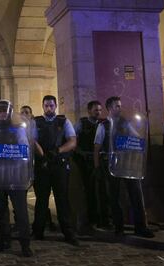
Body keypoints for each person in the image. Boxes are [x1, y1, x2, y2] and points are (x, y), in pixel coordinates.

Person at [93, 96, 154, 238]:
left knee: (136, 195)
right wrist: (97, 168)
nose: (120, 108)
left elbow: (135, 138)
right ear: (109, 108)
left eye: (120, 106)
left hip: (127, 165)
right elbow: (97, 147)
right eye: (117, 106)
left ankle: (140, 227)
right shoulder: (103, 126)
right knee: (114, 198)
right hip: (112, 166)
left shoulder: (125, 123)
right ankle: (118, 227)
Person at [0, 99, 33, 257]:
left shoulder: (19, 129)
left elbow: (26, 152)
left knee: (21, 210)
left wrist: (27, 174)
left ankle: (25, 243)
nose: (2, 114)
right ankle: (4, 239)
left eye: (5, 110)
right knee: (1, 210)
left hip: (16, 174)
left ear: (10, 112)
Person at [32, 95, 80, 246]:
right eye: (46, 106)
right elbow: (32, 141)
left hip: (59, 165)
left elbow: (72, 141)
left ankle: (68, 232)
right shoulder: (36, 122)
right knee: (41, 200)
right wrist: (43, 156)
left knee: (62, 199)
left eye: (51, 106)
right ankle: (38, 231)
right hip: (42, 166)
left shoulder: (63, 121)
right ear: (42, 106)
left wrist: (58, 151)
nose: (49, 108)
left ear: (56, 106)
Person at [20, 105, 57, 233]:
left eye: (27, 112)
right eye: (22, 112)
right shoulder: (18, 128)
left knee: (41, 195)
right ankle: (20, 222)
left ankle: (45, 221)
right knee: (21, 196)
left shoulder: (36, 126)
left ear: (31, 115)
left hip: (38, 165)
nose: (25, 114)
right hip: (24, 167)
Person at [74, 101, 109, 232]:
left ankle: (104, 219)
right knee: (89, 191)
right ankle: (92, 219)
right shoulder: (81, 123)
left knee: (103, 191)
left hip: (100, 160)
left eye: (100, 110)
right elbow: (73, 139)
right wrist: (81, 153)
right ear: (89, 111)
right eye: (96, 110)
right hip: (86, 161)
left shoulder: (103, 124)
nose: (99, 112)